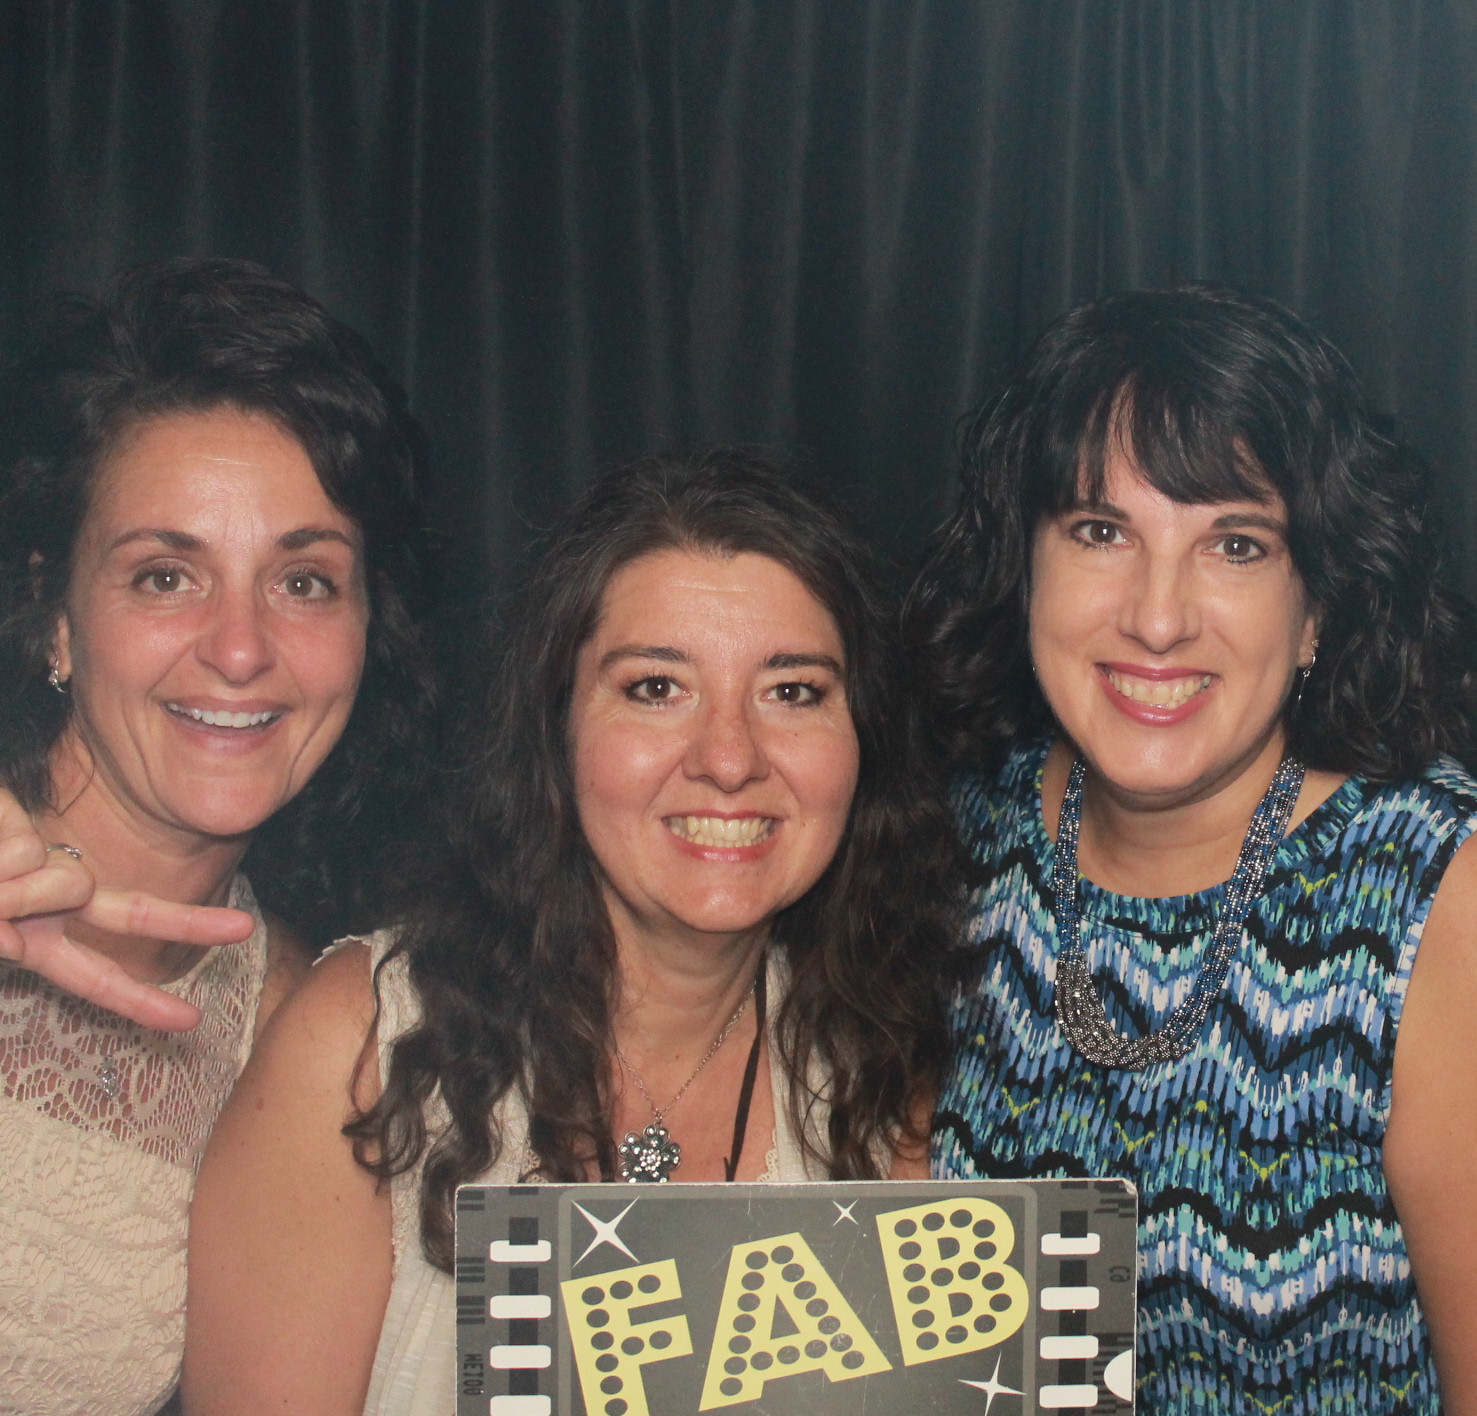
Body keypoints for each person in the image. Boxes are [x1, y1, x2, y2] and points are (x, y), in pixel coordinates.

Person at [910, 284, 1477, 1416]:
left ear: (1319, 603)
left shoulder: (1447, 889)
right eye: (1099, 531)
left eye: (1234, 543)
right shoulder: (956, 837)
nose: (1158, 616)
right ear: (1023, 565)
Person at [185, 448, 963, 1414]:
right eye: (654, 688)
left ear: (862, 743)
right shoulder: (362, 1042)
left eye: (793, 691)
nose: (729, 758)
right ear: (556, 730)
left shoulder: (880, 1080)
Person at [0, 258, 436, 1415]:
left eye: (302, 580)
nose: (240, 648)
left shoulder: (310, 1026)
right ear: (52, 610)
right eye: (165, 574)